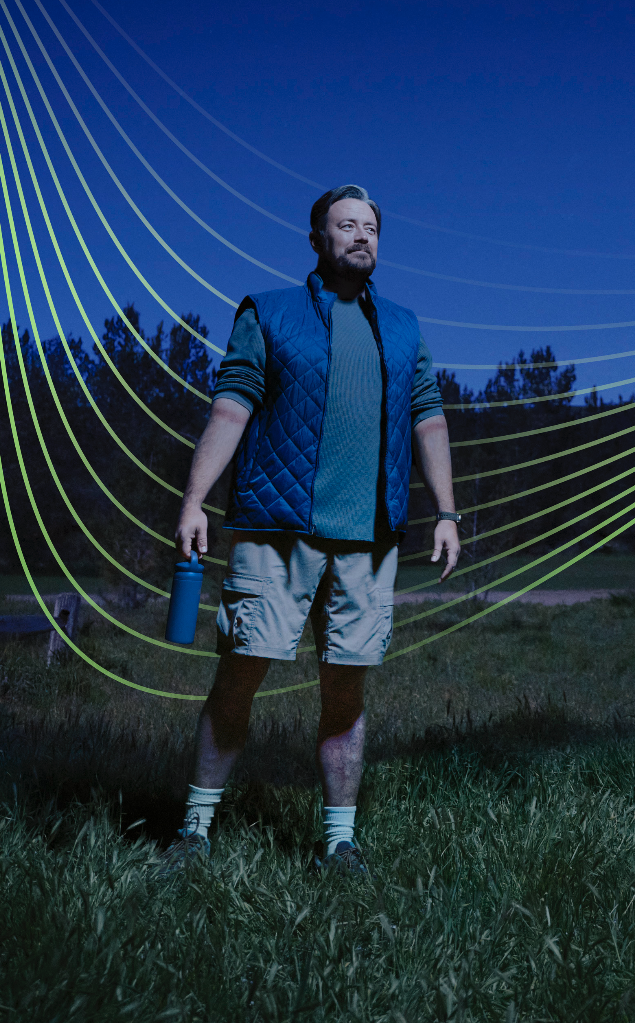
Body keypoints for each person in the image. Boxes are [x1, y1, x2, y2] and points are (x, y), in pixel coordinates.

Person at [160, 185, 462, 877]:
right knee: (239, 677)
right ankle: (195, 832)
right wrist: (194, 501)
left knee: (347, 692)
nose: (362, 236)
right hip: (276, 529)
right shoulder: (268, 314)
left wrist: (445, 512)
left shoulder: (407, 329)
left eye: (372, 227)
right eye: (346, 224)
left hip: (370, 538)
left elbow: (429, 418)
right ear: (317, 240)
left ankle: (339, 845)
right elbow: (232, 406)